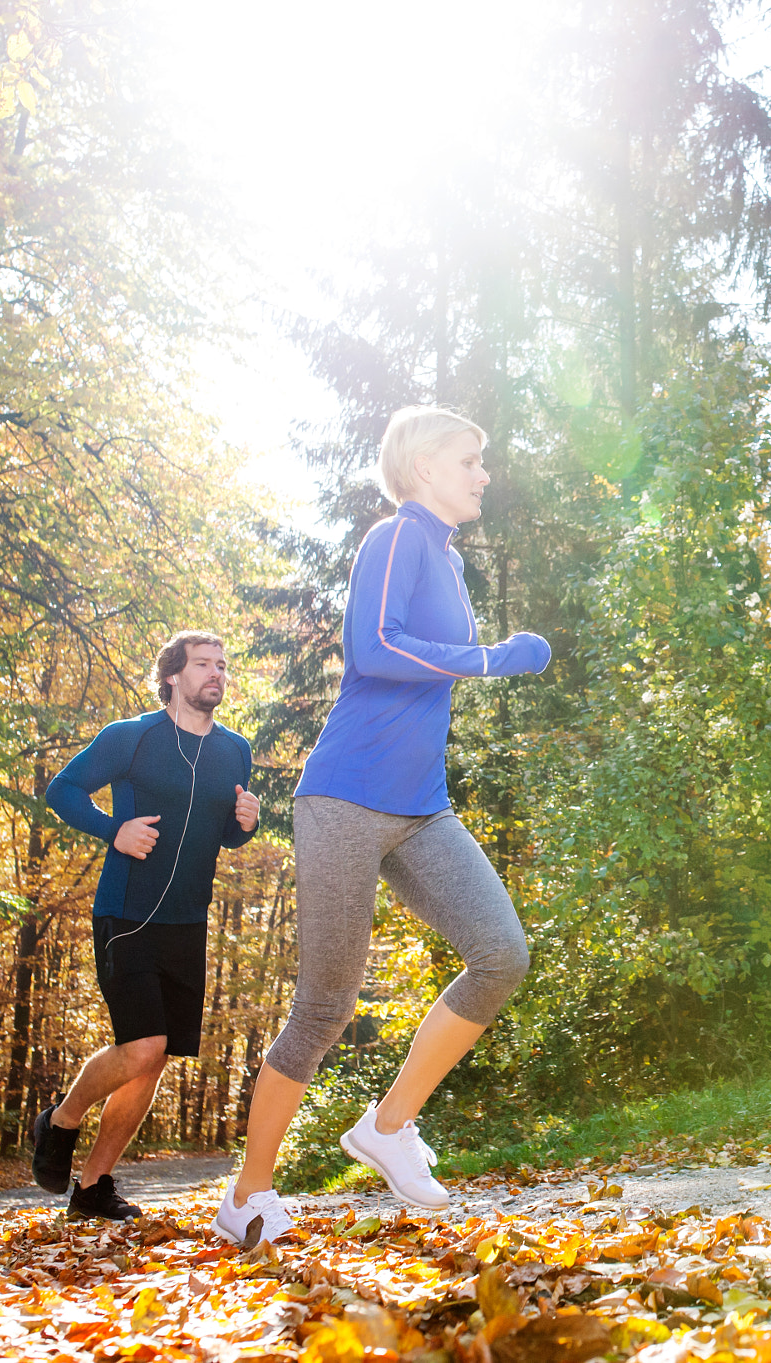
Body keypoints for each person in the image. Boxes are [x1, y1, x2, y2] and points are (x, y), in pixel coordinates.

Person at [213, 406, 549, 1248]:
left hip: (421, 803)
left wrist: (483, 654)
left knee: (501, 953)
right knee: (324, 1007)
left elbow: (425, 661)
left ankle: (388, 1126)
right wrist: (492, 656)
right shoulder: (395, 537)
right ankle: (247, 1195)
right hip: (346, 798)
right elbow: (374, 649)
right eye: (471, 459)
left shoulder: (446, 557)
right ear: (426, 465)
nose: (482, 473)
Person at [33, 632, 260, 1219]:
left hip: (189, 921)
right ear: (173, 675)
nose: (216, 674)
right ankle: (59, 1120)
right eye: (204, 664)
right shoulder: (130, 737)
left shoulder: (235, 751)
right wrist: (114, 830)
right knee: (143, 1046)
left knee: (155, 1058)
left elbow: (226, 834)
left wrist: (245, 823)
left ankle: (91, 1188)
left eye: (222, 666)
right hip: (126, 914)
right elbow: (63, 789)